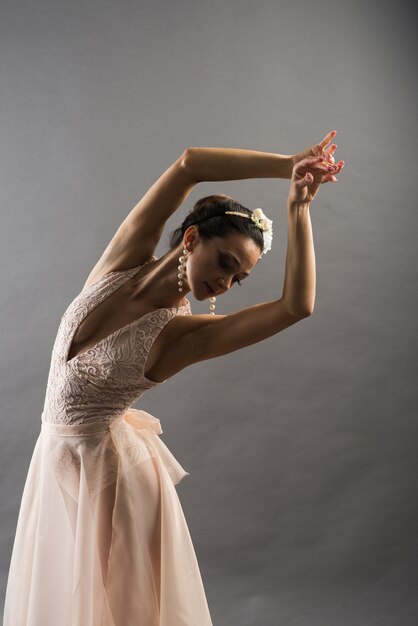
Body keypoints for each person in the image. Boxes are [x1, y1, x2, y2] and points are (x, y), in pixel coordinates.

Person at [3, 131, 344, 626]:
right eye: (226, 263)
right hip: (54, 464)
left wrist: (298, 207)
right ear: (190, 239)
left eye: (238, 279)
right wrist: (289, 163)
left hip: (113, 487)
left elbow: (297, 306)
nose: (226, 284)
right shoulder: (119, 265)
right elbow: (189, 164)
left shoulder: (182, 334)